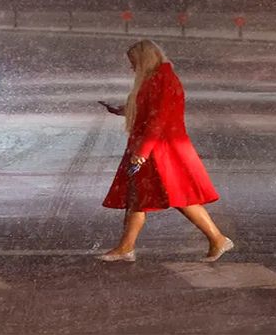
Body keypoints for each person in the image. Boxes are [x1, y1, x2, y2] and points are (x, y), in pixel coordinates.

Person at [97, 40, 232, 263]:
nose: (132, 68)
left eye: (134, 63)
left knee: (172, 196)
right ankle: (127, 246)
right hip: (157, 148)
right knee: (146, 196)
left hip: (162, 150)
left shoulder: (162, 80)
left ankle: (217, 238)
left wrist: (141, 153)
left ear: (144, 60)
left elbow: (158, 120)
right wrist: (122, 110)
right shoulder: (157, 79)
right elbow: (150, 112)